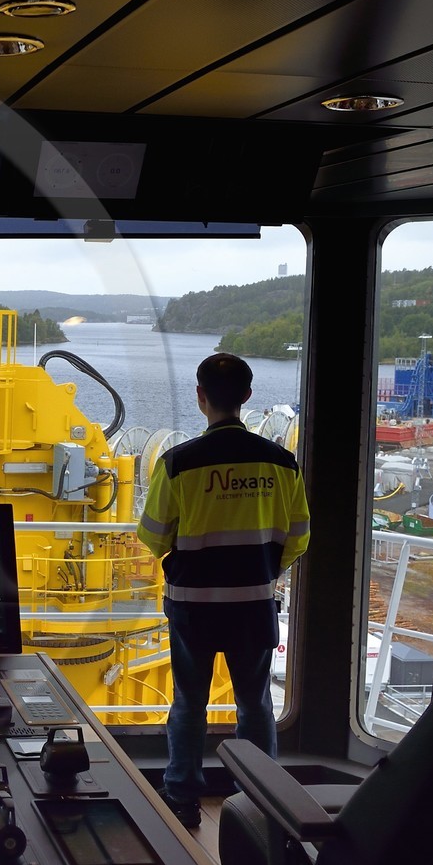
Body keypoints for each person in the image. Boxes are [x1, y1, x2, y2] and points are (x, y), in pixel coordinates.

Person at [137, 352, 310, 828]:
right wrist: (262, 569)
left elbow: (152, 536)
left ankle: (182, 798)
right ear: (248, 397)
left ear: (200, 397)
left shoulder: (177, 464)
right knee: (255, 704)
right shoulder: (282, 463)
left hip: (193, 606)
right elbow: (299, 537)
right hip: (253, 604)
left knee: (188, 702)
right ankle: (257, 801)